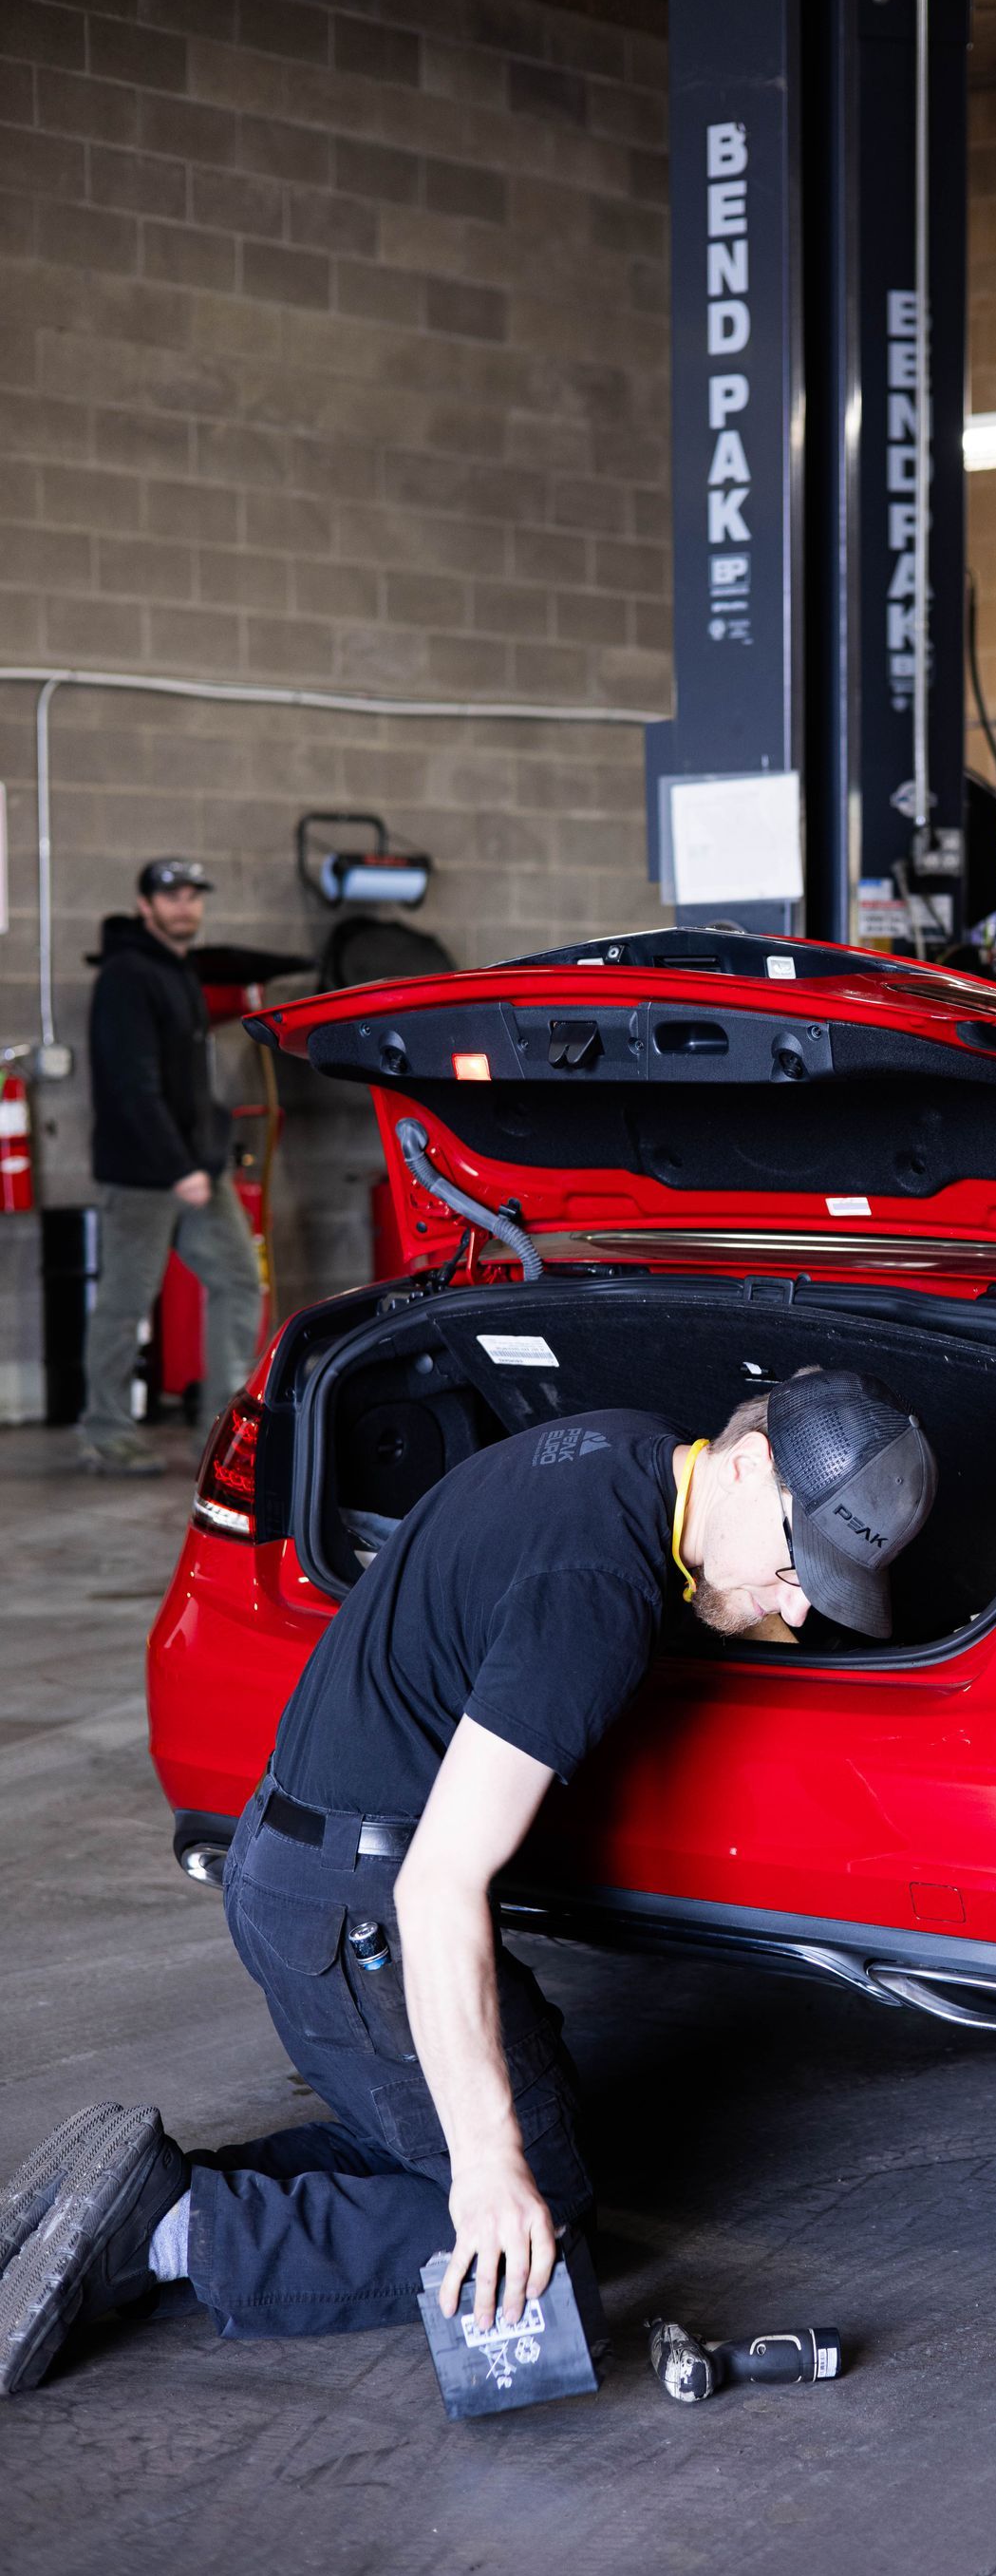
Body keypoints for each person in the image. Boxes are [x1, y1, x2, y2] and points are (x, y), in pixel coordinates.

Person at [0, 1368, 936, 2396]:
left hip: (297, 1859)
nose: (795, 1610)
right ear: (752, 1463)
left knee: (505, 2128)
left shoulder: (630, 1442)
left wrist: (751, 1585)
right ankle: (173, 2232)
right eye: (799, 1564)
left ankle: (140, 2191)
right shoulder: (597, 1594)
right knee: (541, 2219)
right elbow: (436, 1886)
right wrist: (493, 2172)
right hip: (354, 1913)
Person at [77, 857, 264, 1478]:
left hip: (196, 1167)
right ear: (144, 905)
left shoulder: (180, 971)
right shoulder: (126, 976)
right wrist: (175, 1165)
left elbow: (186, 1082)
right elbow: (132, 1085)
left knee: (239, 1281)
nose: (185, 905)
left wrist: (208, 1151)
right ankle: (104, 1431)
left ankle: (223, 1427)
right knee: (128, 1299)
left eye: (192, 895)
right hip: (145, 1174)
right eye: (171, 895)